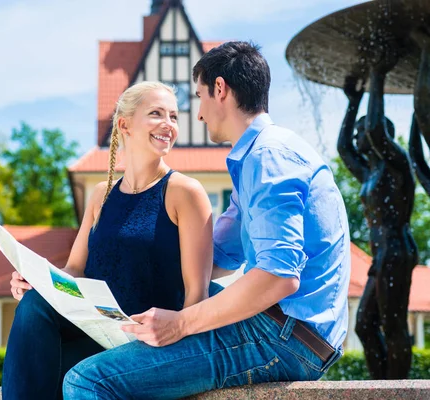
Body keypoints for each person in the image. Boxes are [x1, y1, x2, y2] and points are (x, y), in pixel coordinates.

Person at [61, 41, 350, 399]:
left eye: (198, 97)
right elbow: (213, 257)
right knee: (170, 292)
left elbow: (278, 278)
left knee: (87, 381)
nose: (198, 114)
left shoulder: (268, 158)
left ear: (219, 89)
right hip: (286, 329)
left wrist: (180, 324)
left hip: (285, 336)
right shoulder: (258, 158)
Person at [2, 81, 215, 399]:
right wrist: (38, 279)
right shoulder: (100, 195)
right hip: (97, 336)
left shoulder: (185, 192)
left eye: (173, 116)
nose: (168, 124)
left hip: (149, 347)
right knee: (33, 304)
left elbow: (196, 294)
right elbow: (74, 270)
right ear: (124, 125)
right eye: (156, 114)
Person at [339, 68, 417, 378]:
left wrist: (378, 77)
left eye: (363, 134)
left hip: (396, 251)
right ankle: (381, 385)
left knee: (393, 322)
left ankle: (399, 391)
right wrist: (353, 102)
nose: (358, 139)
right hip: (382, 256)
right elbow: (343, 148)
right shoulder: (370, 173)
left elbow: (374, 130)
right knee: (364, 324)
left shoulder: (396, 164)